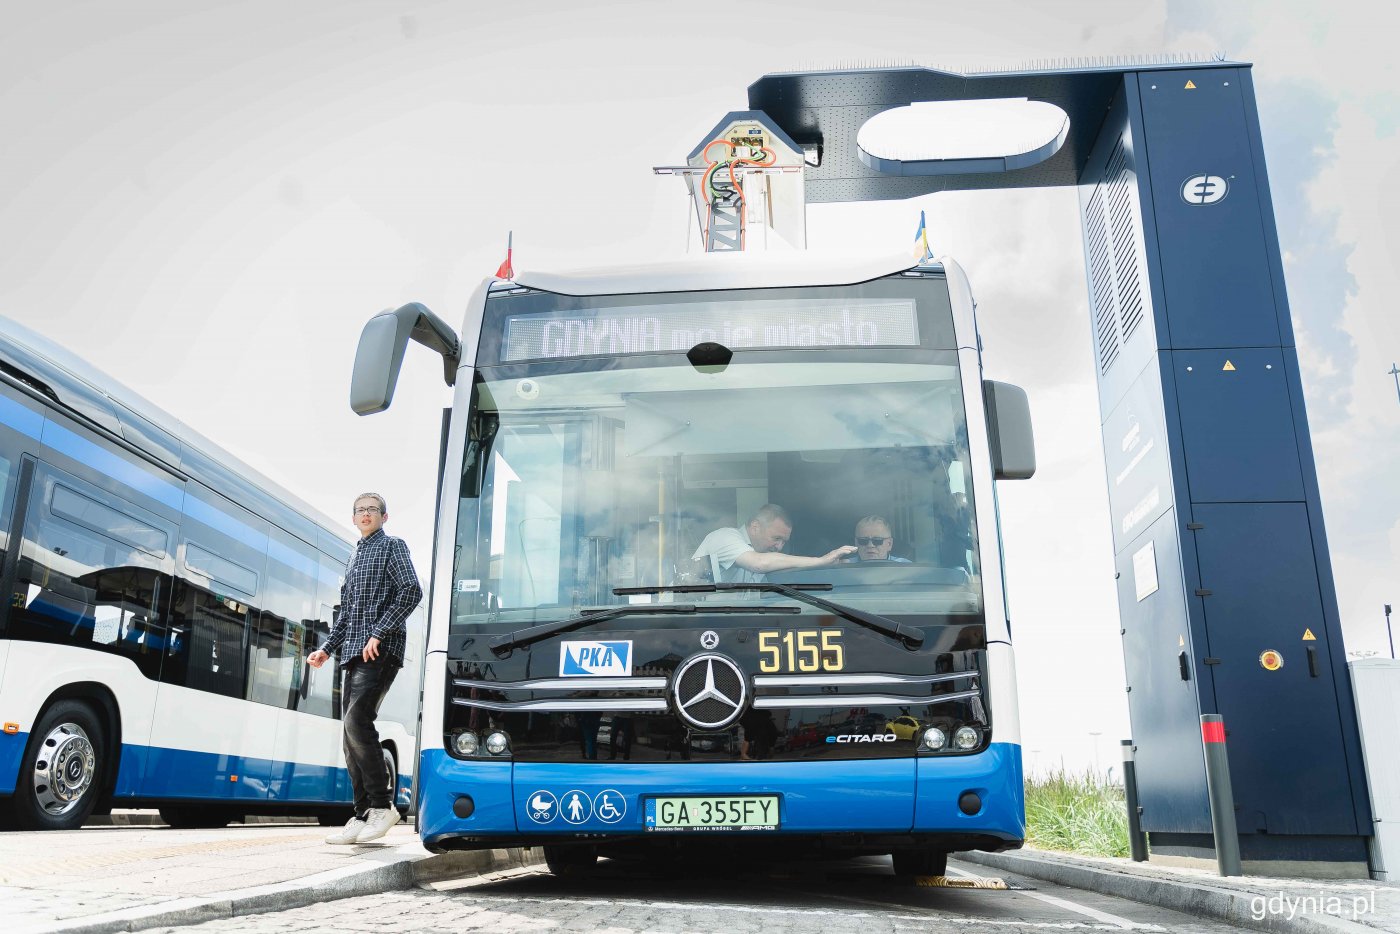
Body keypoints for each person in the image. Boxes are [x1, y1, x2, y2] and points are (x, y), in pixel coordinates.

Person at [308, 493, 423, 845]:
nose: (366, 514)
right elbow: (347, 614)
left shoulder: (393, 546)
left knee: (358, 721)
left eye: (372, 509)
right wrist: (326, 649)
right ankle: (360, 813)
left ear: (384, 517)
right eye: (360, 510)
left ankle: (382, 806)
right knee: (348, 734)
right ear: (354, 517)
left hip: (380, 649)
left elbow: (410, 591)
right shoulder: (354, 556)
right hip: (353, 652)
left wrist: (379, 631)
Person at [692, 504, 855, 584]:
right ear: (755, 527)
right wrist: (821, 560)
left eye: (784, 541)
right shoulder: (724, 537)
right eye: (776, 538)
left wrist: (827, 566)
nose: (779, 546)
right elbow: (759, 564)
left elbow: (783, 567)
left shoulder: (762, 553)